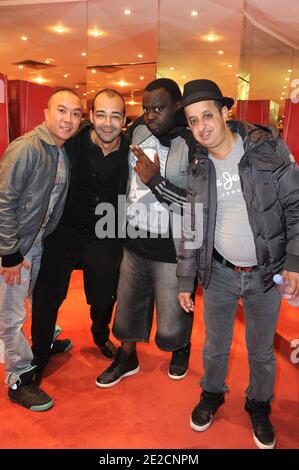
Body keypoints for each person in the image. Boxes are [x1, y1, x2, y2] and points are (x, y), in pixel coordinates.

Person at [176, 79, 299, 449]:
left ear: (225, 112)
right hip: (219, 273)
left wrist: (294, 261)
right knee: (215, 346)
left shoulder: (267, 149)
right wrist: (185, 279)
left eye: (208, 116)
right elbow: (191, 224)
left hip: (267, 274)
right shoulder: (195, 163)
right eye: (194, 121)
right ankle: (211, 394)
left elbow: (296, 207)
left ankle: (258, 403)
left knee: (262, 351)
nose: (202, 127)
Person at [96, 78, 196, 388]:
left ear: (176, 107)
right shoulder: (139, 128)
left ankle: (181, 347)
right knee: (126, 310)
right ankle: (128, 357)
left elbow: (195, 204)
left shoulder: (191, 143)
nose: (151, 115)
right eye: (146, 108)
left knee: (171, 322)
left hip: (171, 249)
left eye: (159, 108)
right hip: (134, 241)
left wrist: (157, 182)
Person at [31, 89, 129, 378]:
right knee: (48, 293)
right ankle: (40, 351)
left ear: (124, 120)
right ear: (91, 117)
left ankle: (100, 334)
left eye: (115, 116)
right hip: (67, 226)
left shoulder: (132, 149)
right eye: (101, 114)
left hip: (107, 229)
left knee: (103, 294)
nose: (107, 123)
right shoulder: (73, 143)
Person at [0, 89, 83, 411]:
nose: (68, 119)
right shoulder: (27, 148)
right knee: (11, 313)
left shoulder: (59, 150)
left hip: (35, 241)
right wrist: (8, 253)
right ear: (46, 114)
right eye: (61, 111)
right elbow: (4, 202)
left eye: (75, 113)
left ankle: (43, 340)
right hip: (14, 245)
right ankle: (18, 376)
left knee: (35, 297)